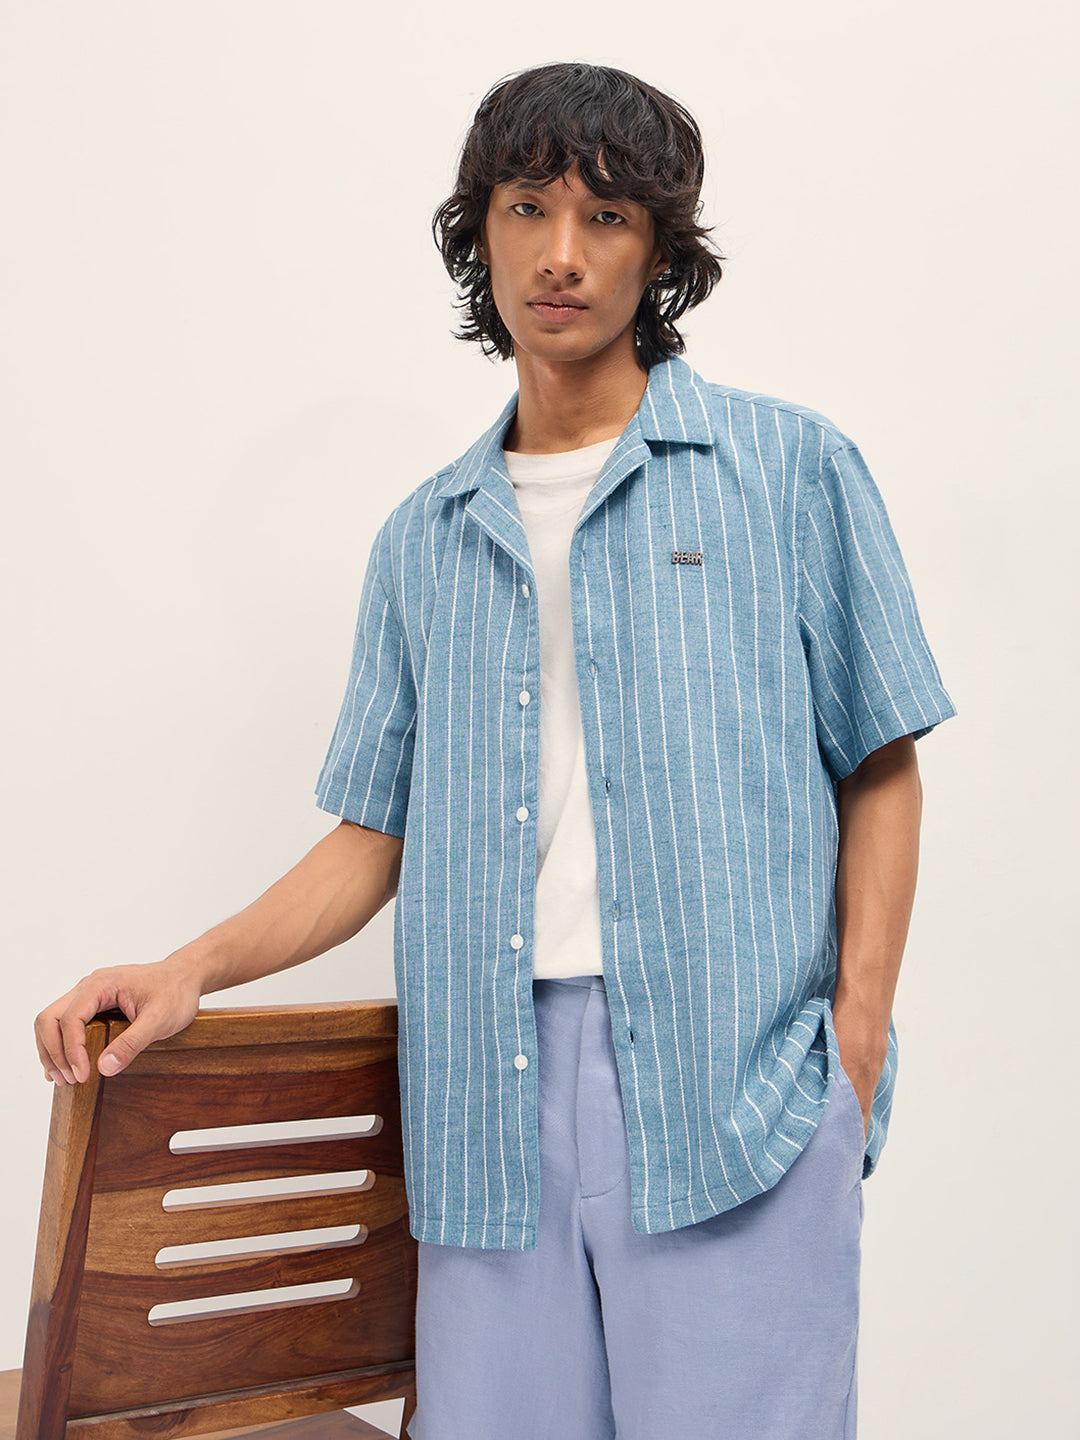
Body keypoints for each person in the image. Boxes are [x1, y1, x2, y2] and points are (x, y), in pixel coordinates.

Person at [34, 62, 958, 1439]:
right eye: (528, 208)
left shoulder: (790, 472)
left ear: (660, 251)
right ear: (483, 232)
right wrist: (188, 971)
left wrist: (855, 1052)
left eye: (607, 218)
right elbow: (373, 836)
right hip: (484, 1110)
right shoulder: (424, 538)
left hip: (735, 1094)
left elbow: (879, 764)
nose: (562, 254)